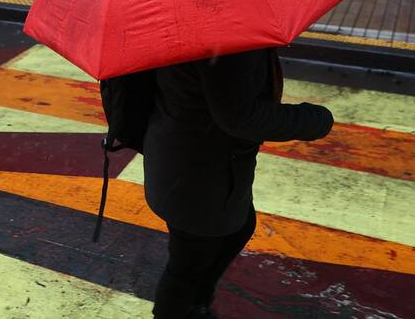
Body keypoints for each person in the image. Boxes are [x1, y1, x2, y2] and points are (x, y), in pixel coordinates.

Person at [143, 47, 334, 318]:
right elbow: (239, 116)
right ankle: (180, 310)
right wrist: (316, 120)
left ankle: (196, 305)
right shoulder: (227, 41)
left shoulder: (202, 27)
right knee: (188, 265)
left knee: (236, 229)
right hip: (196, 172)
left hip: (190, 155)